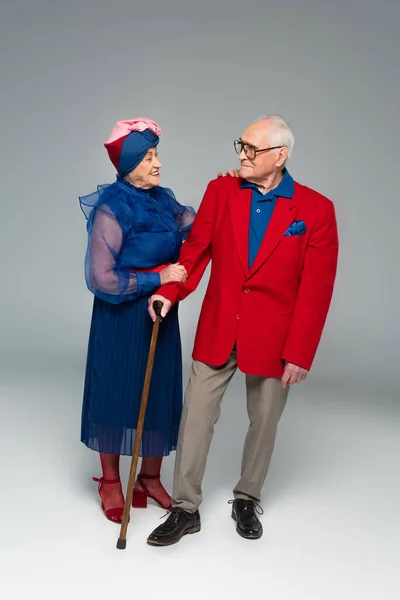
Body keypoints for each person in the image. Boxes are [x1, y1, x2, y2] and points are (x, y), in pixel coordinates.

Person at [146, 114, 339, 545]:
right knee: (195, 415)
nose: (241, 155)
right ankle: (185, 508)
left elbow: (316, 290)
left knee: (265, 420)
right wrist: (171, 294)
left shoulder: (315, 210)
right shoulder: (221, 191)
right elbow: (195, 254)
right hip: (219, 324)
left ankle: (247, 497)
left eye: (251, 149)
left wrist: (301, 352)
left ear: (280, 155)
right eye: (241, 145)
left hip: (275, 335)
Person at [79, 118, 195, 523]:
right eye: (149, 158)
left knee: (160, 390)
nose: (158, 163)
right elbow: (101, 277)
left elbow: (198, 229)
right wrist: (157, 277)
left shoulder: (163, 200)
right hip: (121, 315)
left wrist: (229, 187)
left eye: (156, 154)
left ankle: (149, 475)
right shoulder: (113, 207)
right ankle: (111, 479)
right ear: (128, 166)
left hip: (160, 314)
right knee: (114, 392)